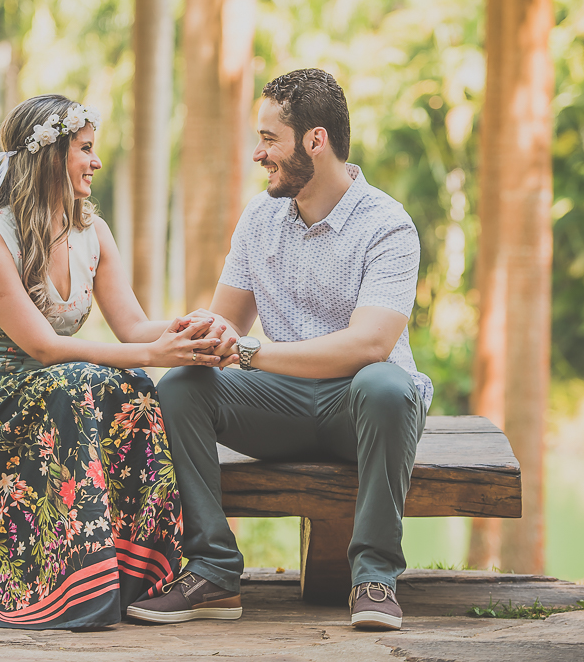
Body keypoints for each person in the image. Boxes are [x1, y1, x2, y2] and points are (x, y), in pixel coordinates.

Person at [125, 69, 433, 630]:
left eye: (270, 140)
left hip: (360, 409)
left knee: (387, 382)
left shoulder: (387, 225)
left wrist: (251, 353)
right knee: (182, 389)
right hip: (282, 404)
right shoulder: (260, 217)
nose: (257, 154)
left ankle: (375, 576)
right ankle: (214, 570)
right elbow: (226, 321)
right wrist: (178, 335)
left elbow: (371, 344)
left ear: (315, 141)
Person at [0, 94, 228, 630]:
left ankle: (134, 574)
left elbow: (134, 328)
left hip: (56, 393)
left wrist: (196, 329)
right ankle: (67, 587)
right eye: (85, 149)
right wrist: (151, 353)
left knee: (134, 385)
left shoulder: (93, 233)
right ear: (50, 157)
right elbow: (42, 348)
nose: (97, 161)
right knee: (76, 381)